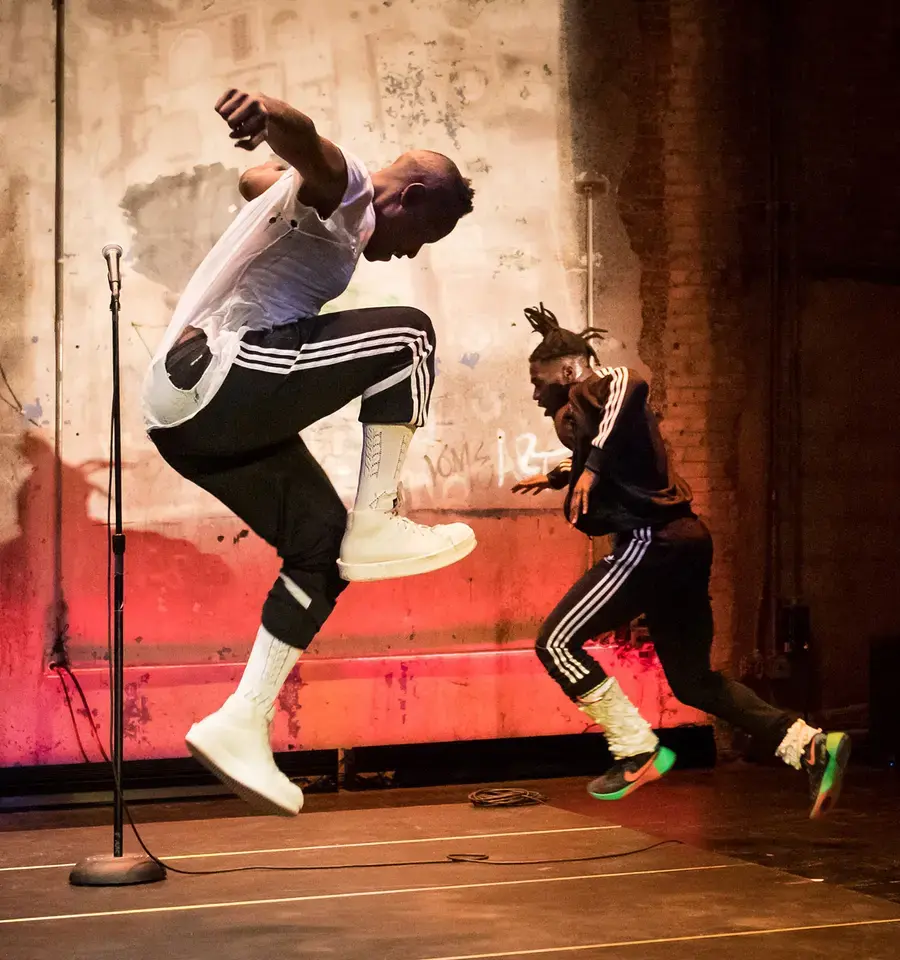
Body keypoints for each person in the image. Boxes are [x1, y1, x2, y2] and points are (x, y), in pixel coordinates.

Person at [142, 89, 477, 815]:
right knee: (409, 335)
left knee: (320, 549)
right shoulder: (351, 191)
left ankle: (241, 722)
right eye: (425, 233)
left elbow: (255, 179)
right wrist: (271, 116)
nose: (413, 251)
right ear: (410, 196)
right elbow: (312, 146)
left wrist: (274, 165)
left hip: (184, 421)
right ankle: (380, 518)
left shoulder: (322, 207)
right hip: (224, 376)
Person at [512, 303, 849, 819]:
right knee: (693, 681)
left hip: (653, 543)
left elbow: (631, 379)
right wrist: (565, 472)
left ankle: (635, 748)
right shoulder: (596, 414)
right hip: (685, 542)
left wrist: (589, 470)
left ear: (568, 370)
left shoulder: (598, 384)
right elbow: (616, 448)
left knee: (555, 643)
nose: (536, 398)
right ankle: (808, 745)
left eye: (540, 384)